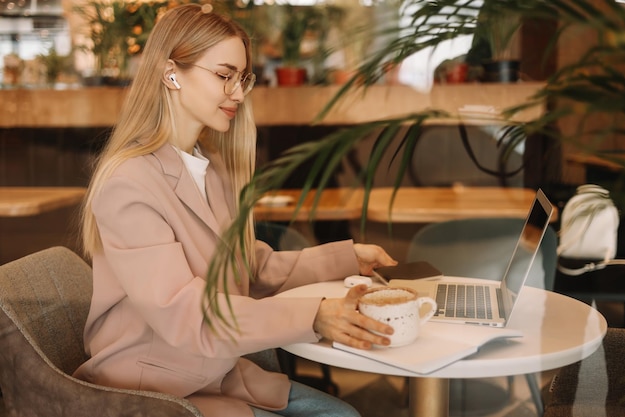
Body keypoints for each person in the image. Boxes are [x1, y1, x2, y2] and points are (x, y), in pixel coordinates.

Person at [74, 4, 398, 417]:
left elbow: (251, 269)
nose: (239, 94)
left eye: (242, 79)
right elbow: (187, 315)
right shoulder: (128, 183)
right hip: (156, 390)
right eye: (224, 76)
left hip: (213, 373)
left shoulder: (209, 168)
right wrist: (313, 316)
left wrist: (346, 258)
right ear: (171, 72)